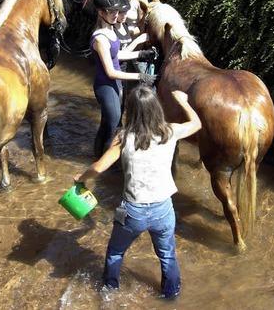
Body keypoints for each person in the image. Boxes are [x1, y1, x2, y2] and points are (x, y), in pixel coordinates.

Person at [74, 86, 202, 299]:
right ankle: (171, 297)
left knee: (115, 252)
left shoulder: (123, 138)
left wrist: (80, 178)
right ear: (156, 109)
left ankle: (109, 293)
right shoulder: (169, 131)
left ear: (131, 111)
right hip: (163, 209)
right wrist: (184, 101)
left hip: (132, 211)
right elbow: (197, 124)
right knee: (167, 256)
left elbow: (98, 167)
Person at [90, 0, 157, 158]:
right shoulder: (100, 38)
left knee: (106, 124)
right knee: (114, 127)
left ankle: (96, 157)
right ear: (101, 12)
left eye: (116, 11)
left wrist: (140, 55)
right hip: (106, 86)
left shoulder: (111, 31)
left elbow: (117, 55)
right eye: (111, 12)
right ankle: (105, 168)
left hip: (114, 84)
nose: (115, 15)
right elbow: (111, 72)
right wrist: (141, 77)